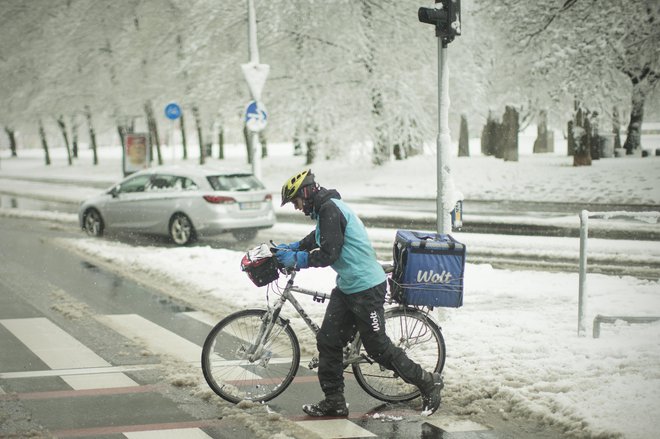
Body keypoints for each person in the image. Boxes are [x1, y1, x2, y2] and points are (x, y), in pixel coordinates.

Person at [275, 169, 444, 417]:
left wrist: (297, 258)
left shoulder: (329, 209)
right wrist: (296, 246)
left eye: (296, 201)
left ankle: (429, 382)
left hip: (366, 288)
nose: (296, 207)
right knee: (329, 342)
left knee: (378, 348)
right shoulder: (325, 209)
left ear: (307, 193)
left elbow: (329, 253)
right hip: (348, 287)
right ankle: (334, 402)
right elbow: (320, 236)